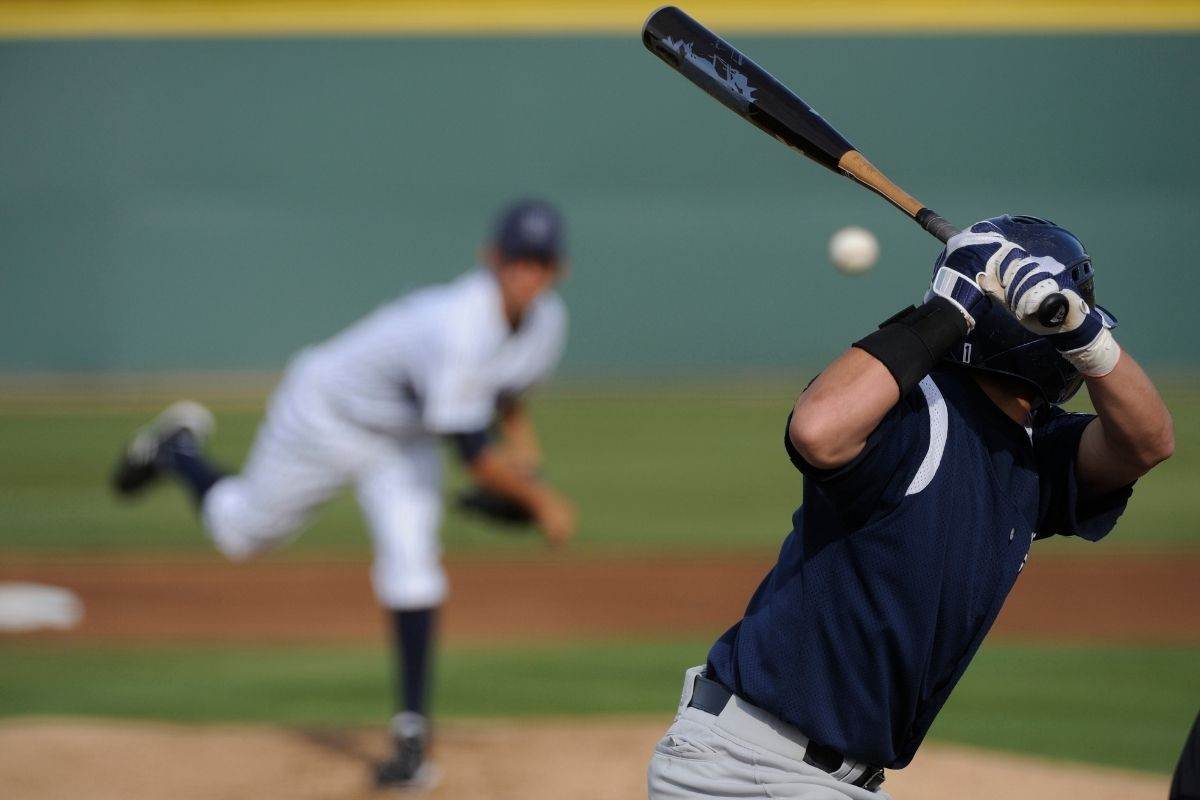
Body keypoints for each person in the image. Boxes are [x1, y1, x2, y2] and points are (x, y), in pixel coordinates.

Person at [647, 214, 1174, 799]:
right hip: (750, 768)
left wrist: (1084, 333)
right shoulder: (917, 408)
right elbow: (817, 430)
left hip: (834, 782)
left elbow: (1148, 443)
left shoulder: (1034, 452)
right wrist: (952, 307)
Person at [112, 198, 576, 788]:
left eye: (539, 261)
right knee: (240, 535)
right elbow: (474, 455)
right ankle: (176, 451)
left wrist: (528, 465)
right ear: (491, 259)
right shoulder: (459, 322)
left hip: (402, 440)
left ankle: (411, 742)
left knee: (414, 568)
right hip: (327, 414)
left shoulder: (547, 323)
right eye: (517, 259)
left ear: (558, 268)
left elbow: (507, 394)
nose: (526, 272)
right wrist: (544, 503)